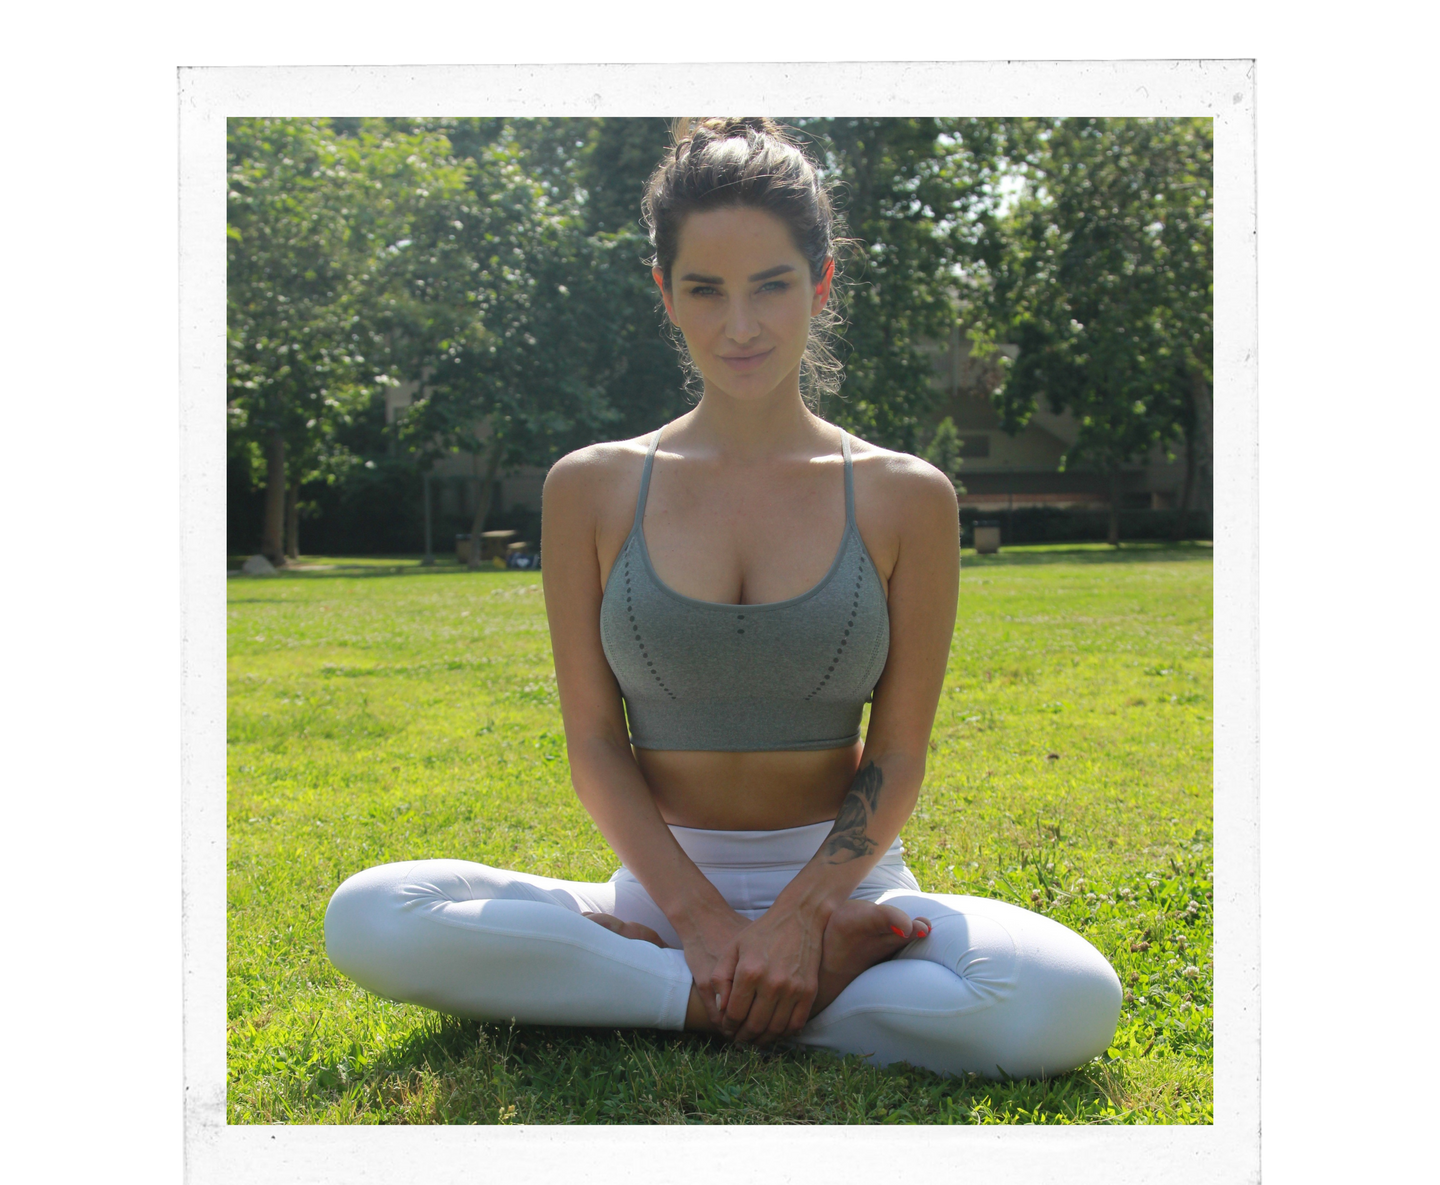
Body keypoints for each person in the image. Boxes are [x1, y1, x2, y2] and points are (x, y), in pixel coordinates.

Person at [324, 119, 1122, 1079]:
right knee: (369, 915)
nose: (739, 325)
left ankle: (652, 991)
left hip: (850, 889)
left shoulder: (907, 496)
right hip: (656, 899)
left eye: (771, 286)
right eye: (705, 289)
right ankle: (733, 993)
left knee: (1069, 999)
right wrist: (702, 926)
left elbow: (901, 749)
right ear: (666, 294)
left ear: (820, 285)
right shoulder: (592, 486)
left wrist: (805, 917)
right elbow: (593, 743)